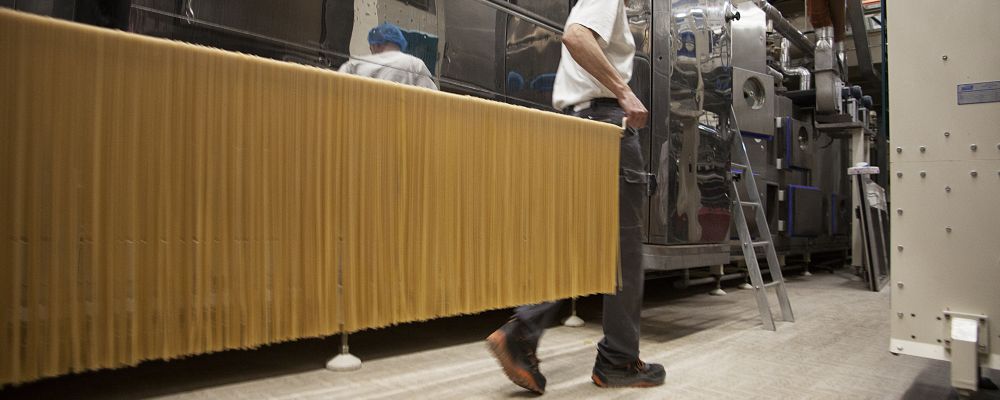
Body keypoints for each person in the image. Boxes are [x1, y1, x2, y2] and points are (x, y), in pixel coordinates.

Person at [485, 0, 664, 394]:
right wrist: (624, 91)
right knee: (623, 252)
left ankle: (523, 332)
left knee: (577, 244)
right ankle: (618, 360)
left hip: (578, 126)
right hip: (603, 128)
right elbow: (576, 36)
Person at [338, 22, 437, 90]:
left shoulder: (353, 65)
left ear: (376, 44)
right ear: (399, 43)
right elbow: (432, 100)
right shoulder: (416, 65)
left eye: (370, 47)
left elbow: (335, 92)